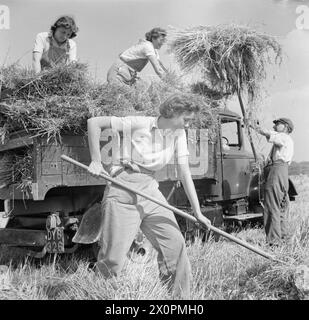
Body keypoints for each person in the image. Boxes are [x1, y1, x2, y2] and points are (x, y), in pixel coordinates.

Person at [87, 93, 211, 298]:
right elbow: (94, 122)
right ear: (173, 112)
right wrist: (96, 160)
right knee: (113, 259)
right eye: (186, 120)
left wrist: (197, 212)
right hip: (123, 186)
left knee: (175, 246)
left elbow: (185, 172)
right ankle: (101, 296)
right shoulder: (139, 123)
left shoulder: (179, 135)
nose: (188, 125)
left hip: (151, 189)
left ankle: (181, 301)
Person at [251, 117, 294, 246]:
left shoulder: (284, 137)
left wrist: (255, 127)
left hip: (277, 171)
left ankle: (274, 242)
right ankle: (283, 238)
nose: (275, 126)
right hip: (280, 172)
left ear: (286, 127)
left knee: (271, 206)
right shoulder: (284, 139)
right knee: (280, 207)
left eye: (278, 124)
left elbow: (270, 134)